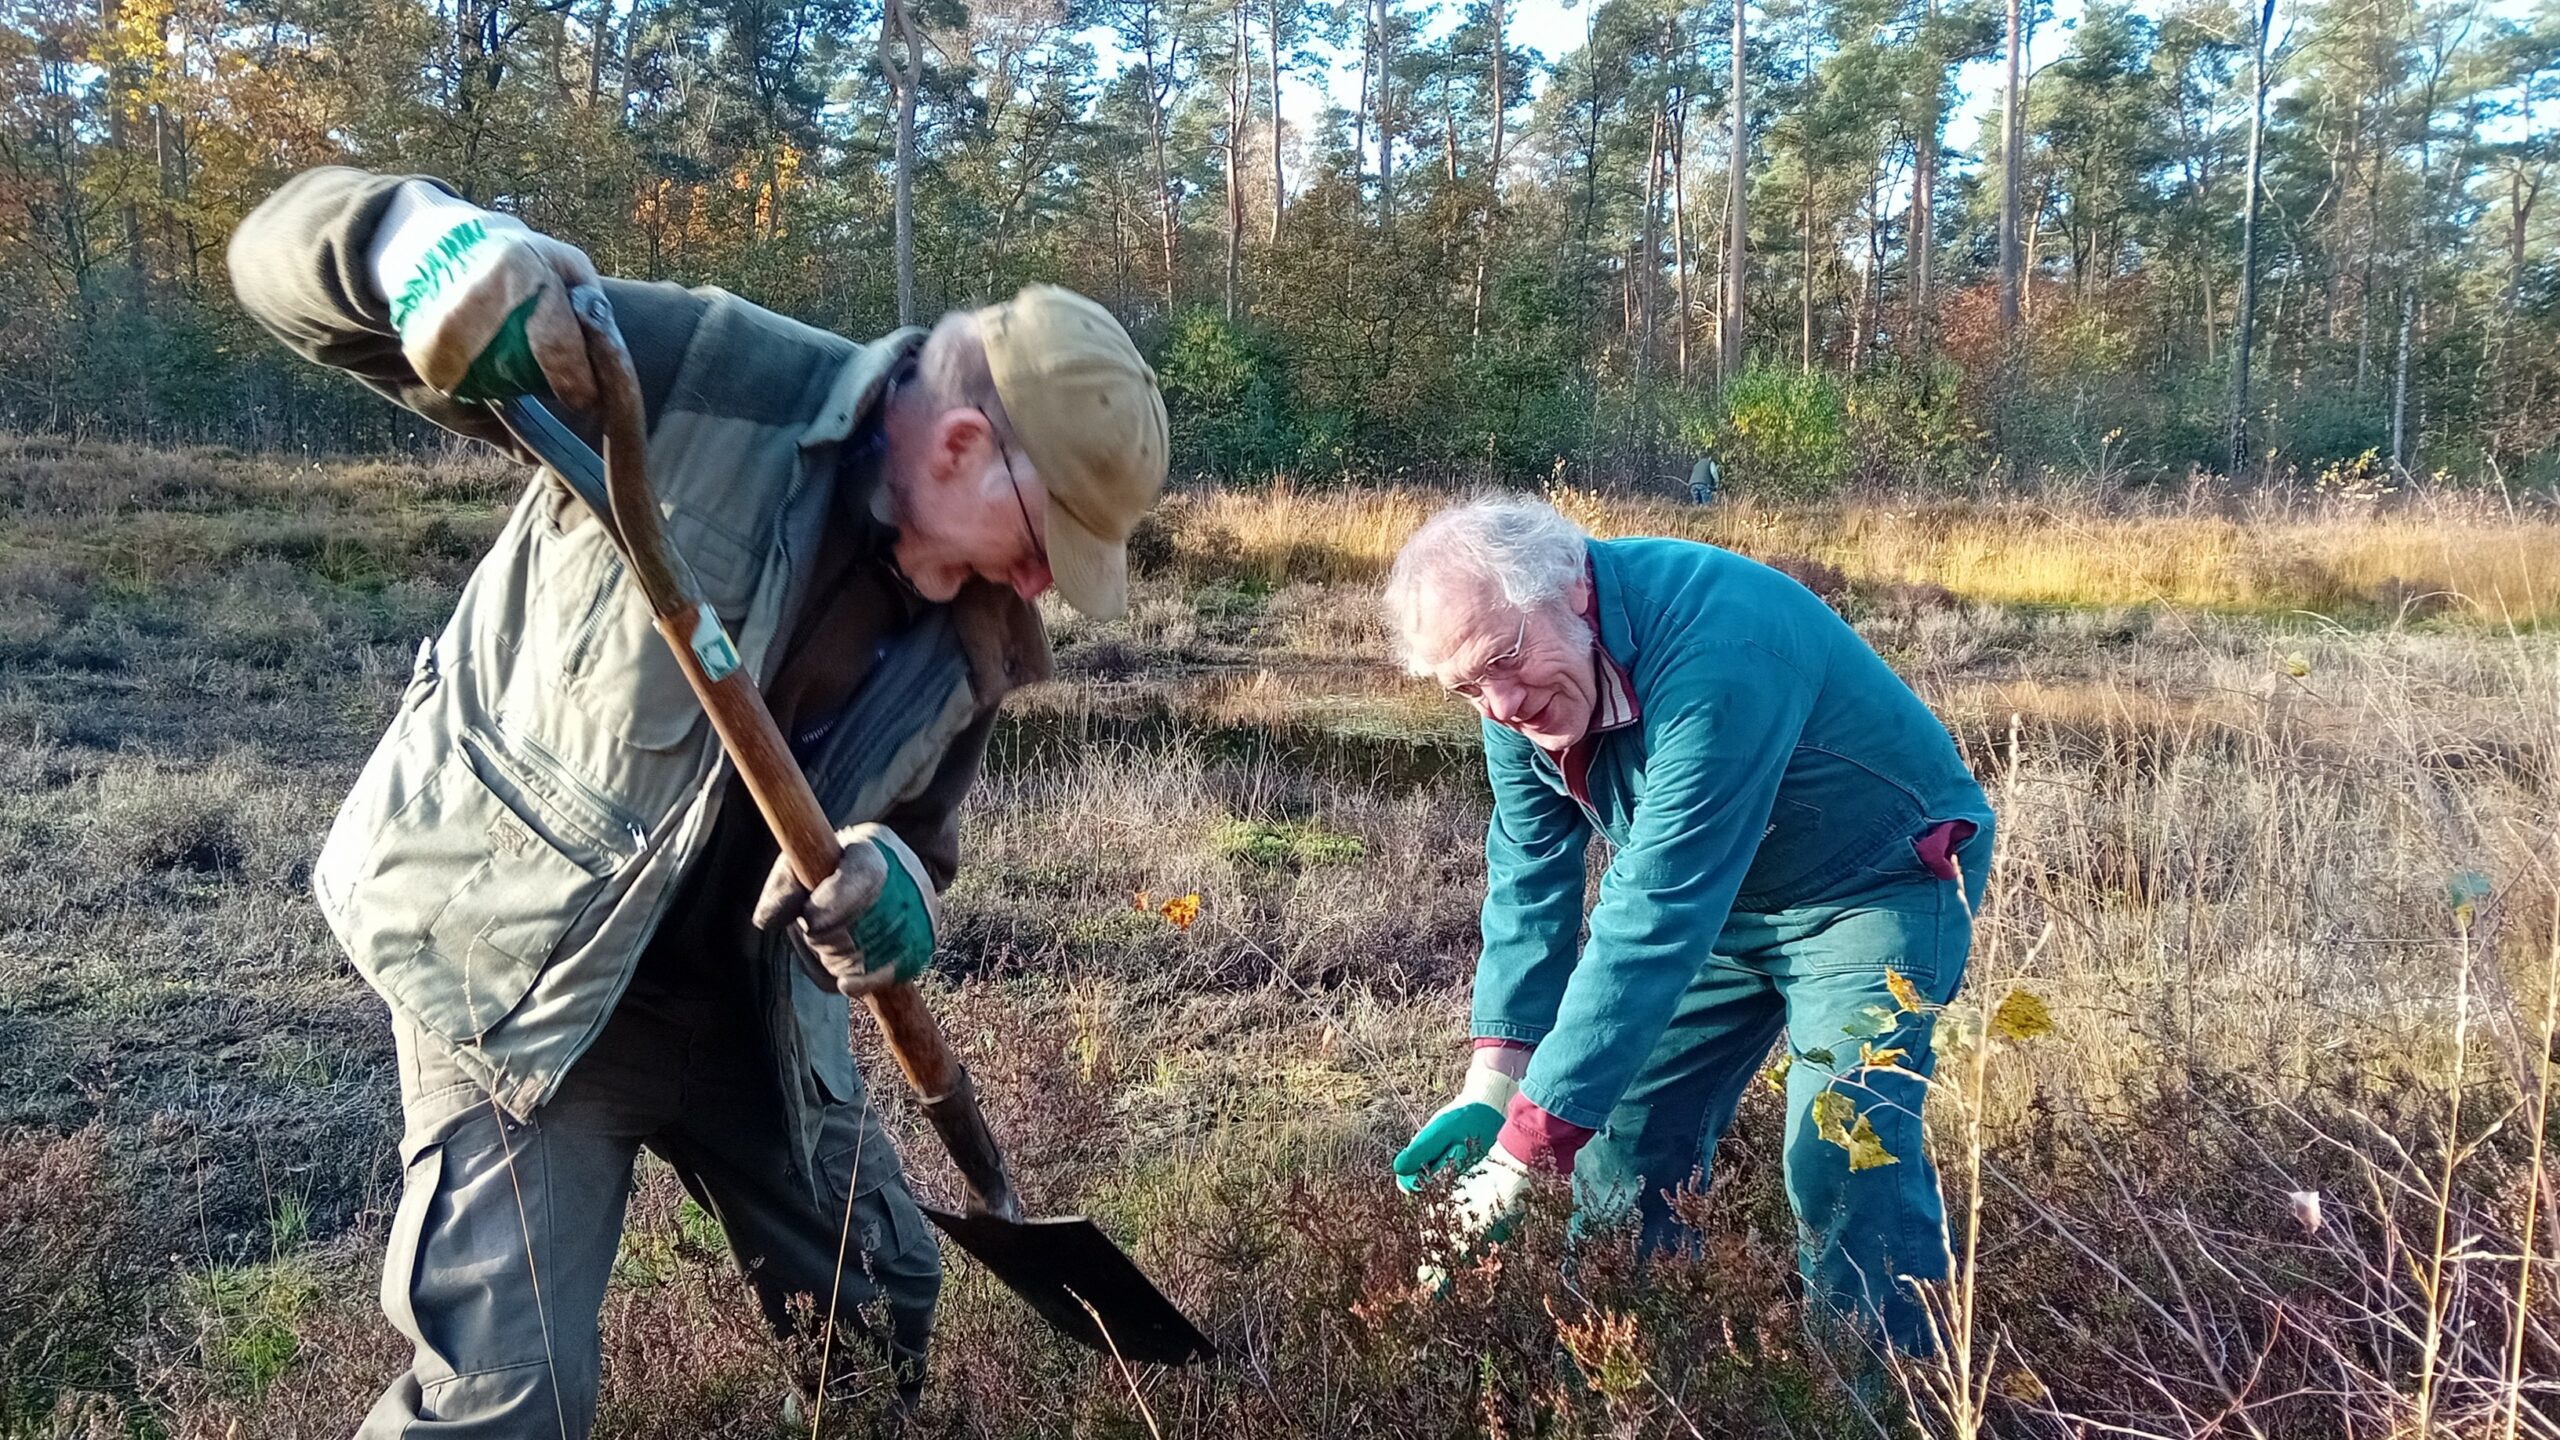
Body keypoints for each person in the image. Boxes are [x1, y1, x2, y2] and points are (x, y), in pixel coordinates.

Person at [228, 166, 1169, 1435]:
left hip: (747, 1012)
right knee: (508, 1400)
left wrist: (895, 881)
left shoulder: (980, 632)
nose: (1045, 586)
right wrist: (412, 244)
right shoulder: (696, 375)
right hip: (525, 976)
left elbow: (922, 841)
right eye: (1048, 543)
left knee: (883, 1297)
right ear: (960, 449)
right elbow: (275, 261)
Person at [1383, 495, 1992, 1354]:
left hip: (1873, 884)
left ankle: (1880, 1405)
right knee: (1620, 1134)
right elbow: (1529, 877)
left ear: (1575, 592)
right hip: (1725, 899)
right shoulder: (1506, 689)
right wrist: (1497, 1079)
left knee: (1841, 1149)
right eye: (1467, 686)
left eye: (1507, 661)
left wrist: (1521, 1152)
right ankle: (1635, 1390)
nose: (1504, 703)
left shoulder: (1720, 647)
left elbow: (1658, 907)